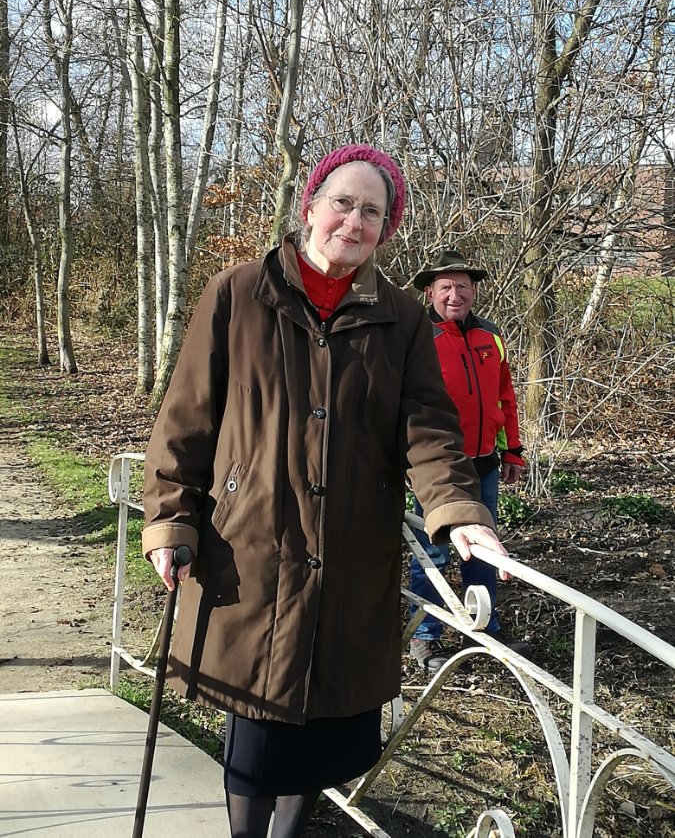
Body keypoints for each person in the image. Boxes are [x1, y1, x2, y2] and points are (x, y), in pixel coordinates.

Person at [141, 146, 511, 838]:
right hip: (250, 549)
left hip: (350, 554)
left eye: (372, 211)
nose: (354, 220)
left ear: (385, 230)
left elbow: (428, 429)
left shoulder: (403, 319)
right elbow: (185, 422)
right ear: (310, 207)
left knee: (321, 729)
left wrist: (457, 508)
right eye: (342, 202)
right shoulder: (237, 293)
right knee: (255, 734)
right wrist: (170, 522)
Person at [408, 248, 530, 674]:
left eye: (462, 286)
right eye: (445, 287)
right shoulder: (418, 337)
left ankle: (483, 629)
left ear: (474, 291)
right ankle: (425, 634)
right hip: (438, 468)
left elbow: (504, 397)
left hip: (485, 463)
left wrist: (512, 450)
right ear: (430, 292)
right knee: (433, 551)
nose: (454, 295)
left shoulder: (489, 336)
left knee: (484, 549)